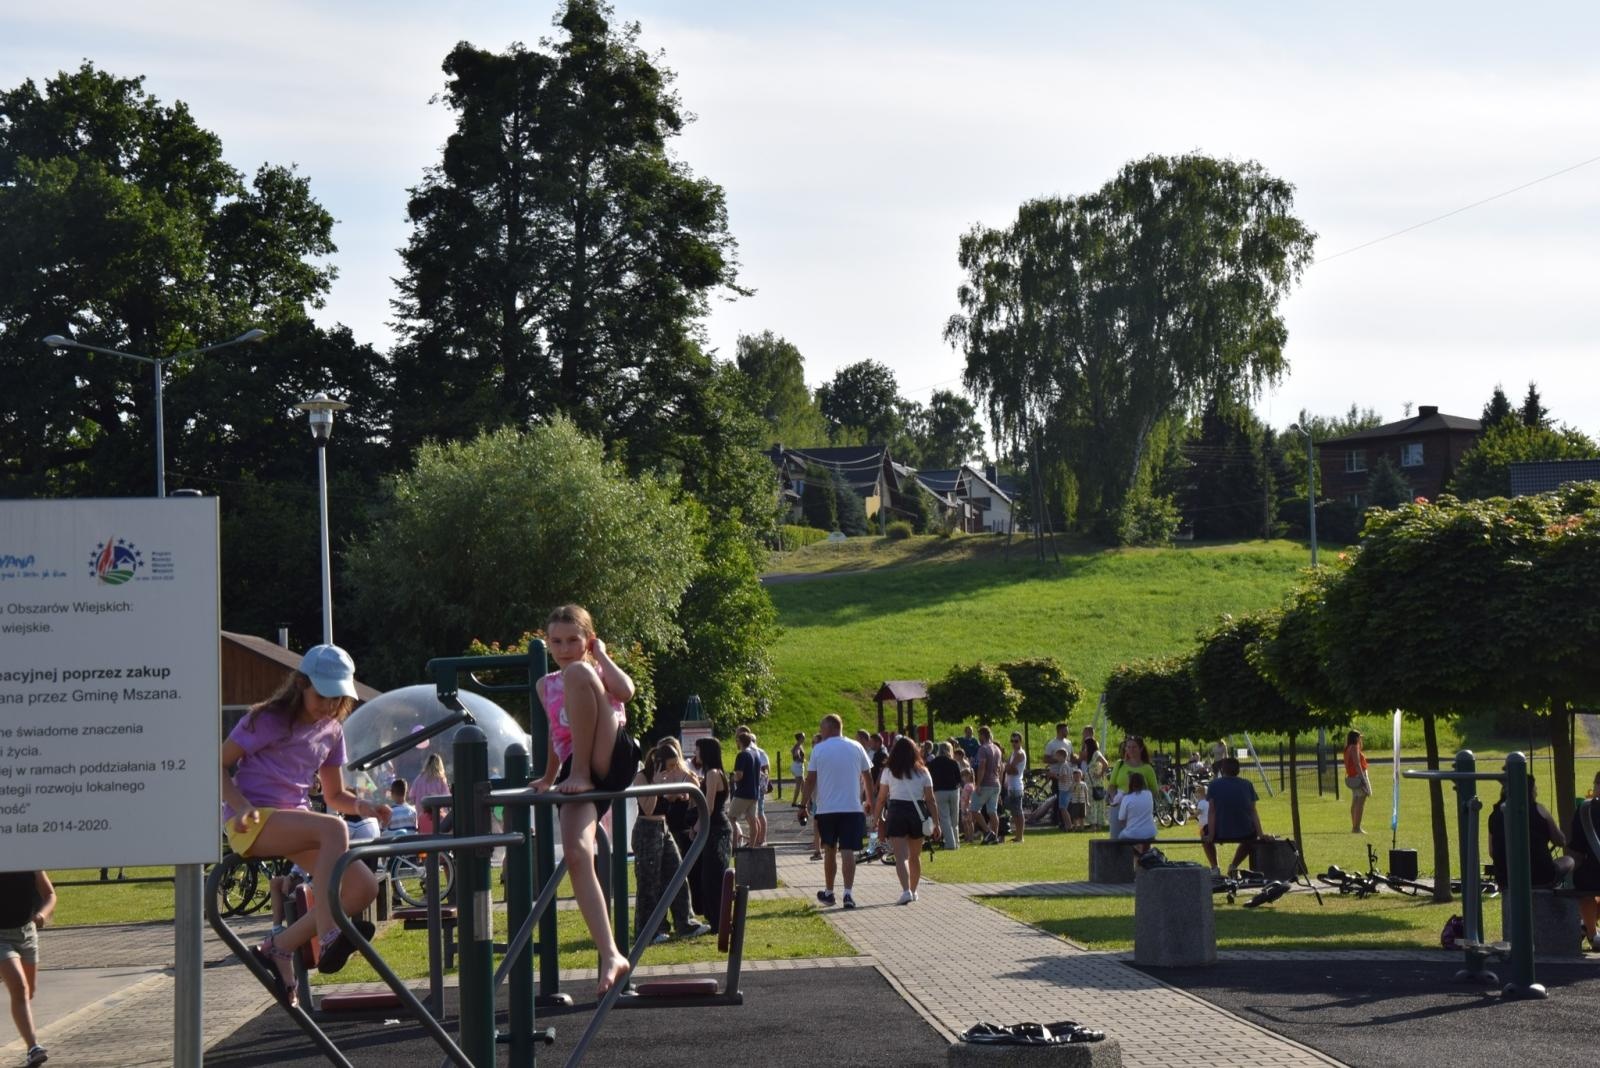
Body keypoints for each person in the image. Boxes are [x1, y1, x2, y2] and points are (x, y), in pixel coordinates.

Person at [222, 644, 387, 1007]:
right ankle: (329, 934)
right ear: (301, 684)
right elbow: (215, 764)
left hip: (295, 821)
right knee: (334, 830)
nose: (329, 705)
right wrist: (241, 806)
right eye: (322, 695)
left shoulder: (331, 730)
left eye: (337, 697)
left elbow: (334, 795)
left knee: (363, 887)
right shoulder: (266, 719)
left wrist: (365, 806)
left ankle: (278, 947)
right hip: (251, 821)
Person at [531, 605, 639, 997]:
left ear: (588, 640)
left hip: (610, 755)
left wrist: (601, 655)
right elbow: (555, 739)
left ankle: (578, 776)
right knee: (576, 853)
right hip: (576, 767)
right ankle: (611, 953)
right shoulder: (545, 685)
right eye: (556, 641)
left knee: (577, 673)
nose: (563, 648)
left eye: (573, 640)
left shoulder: (590, 669)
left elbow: (626, 692)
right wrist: (546, 777)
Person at [632, 745, 709, 944]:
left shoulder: (672, 774)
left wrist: (684, 773)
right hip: (646, 831)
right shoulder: (642, 777)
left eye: (677, 764)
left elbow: (695, 789)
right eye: (671, 765)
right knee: (649, 883)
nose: (674, 769)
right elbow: (648, 809)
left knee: (678, 874)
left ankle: (685, 922)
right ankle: (649, 930)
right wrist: (657, 785)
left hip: (663, 829)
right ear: (658, 764)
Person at [805, 714, 874, 908]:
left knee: (829, 850)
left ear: (830, 728)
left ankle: (829, 891)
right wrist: (869, 800)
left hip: (827, 809)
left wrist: (803, 805)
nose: (820, 731)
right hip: (852, 808)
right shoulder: (856, 747)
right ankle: (848, 893)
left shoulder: (819, 749)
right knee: (848, 851)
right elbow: (868, 777)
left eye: (822, 728)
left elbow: (810, 779)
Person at [874, 736, 942, 904]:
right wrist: (936, 823)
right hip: (917, 813)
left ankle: (905, 891)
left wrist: (876, 818)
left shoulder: (889, 771)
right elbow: (930, 799)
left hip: (896, 811)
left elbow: (882, 798)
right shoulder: (923, 771)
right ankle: (914, 890)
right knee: (915, 856)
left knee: (901, 856)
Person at [1, 869, 55, 1067]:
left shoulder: (28, 859)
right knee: (19, 987)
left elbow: (50, 894)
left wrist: (42, 915)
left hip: (27, 933)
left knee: (28, 992)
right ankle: (33, 1048)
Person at [1488, 777, 1574, 891]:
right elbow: (1560, 841)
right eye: (1535, 790)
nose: (1536, 793)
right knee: (1569, 860)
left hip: (1505, 879)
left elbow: (1492, 852)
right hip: (1540, 877)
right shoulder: (1539, 809)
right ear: (1530, 792)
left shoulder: (1494, 815)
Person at [690, 737, 734, 933]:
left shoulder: (712, 774)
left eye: (698, 750)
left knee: (712, 878)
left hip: (715, 829)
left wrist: (696, 827)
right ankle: (717, 920)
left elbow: (708, 806)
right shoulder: (716, 772)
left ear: (706, 752)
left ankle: (718, 922)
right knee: (711, 876)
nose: (695, 754)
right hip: (718, 827)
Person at [1201, 757, 1264, 878]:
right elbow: (1253, 811)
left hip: (1221, 831)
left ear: (1222, 770)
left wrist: (1211, 835)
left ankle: (1215, 867)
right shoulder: (1247, 784)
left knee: (1204, 835)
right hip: (1245, 831)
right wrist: (1261, 835)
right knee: (1251, 838)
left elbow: (1212, 811)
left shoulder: (1214, 785)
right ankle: (1234, 866)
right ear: (1238, 770)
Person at [1565, 769, 1600, 951]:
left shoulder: (1585, 809)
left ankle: (1591, 932)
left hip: (1591, 871)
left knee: (1585, 887)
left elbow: (1576, 847)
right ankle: (1589, 928)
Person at [1105, 737, 1152, 840]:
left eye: (1134, 747)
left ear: (1140, 749)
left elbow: (1153, 790)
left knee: (1137, 839)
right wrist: (1115, 799)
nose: (1131, 750)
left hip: (1138, 808)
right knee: (1116, 839)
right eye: (1128, 747)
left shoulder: (1147, 768)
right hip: (1119, 804)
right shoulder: (1120, 764)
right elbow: (1111, 785)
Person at [928, 741, 963, 850]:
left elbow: (929, 779)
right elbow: (959, 779)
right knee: (954, 819)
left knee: (944, 818)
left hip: (940, 792)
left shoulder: (933, 763)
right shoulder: (953, 762)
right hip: (953, 791)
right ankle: (956, 842)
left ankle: (950, 844)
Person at [729, 731, 761, 848]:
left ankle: (733, 846)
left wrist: (734, 778)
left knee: (731, 818)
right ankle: (752, 846)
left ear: (739, 741)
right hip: (754, 793)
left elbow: (739, 775)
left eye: (737, 741)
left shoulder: (742, 755)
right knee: (752, 821)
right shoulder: (756, 755)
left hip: (742, 793)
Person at [972, 726, 1003, 845]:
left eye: (979, 735)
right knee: (992, 811)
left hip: (986, 783)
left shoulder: (983, 749)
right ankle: (994, 837)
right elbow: (1000, 768)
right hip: (996, 784)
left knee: (974, 809)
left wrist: (978, 784)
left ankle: (988, 832)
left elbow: (982, 767)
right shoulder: (997, 749)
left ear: (983, 735)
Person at [1117, 773, 1157, 855]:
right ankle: (1144, 856)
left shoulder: (1127, 798)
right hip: (1150, 832)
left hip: (1133, 833)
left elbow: (1121, 820)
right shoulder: (1149, 794)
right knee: (1144, 839)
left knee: (1122, 836)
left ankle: (1136, 856)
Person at [411, 753, 450, 835]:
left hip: (422, 816)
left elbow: (412, 796)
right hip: (438, 818)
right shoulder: (441, 779)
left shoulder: (418, 778)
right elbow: (447, 798)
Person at [1344, 730, 1371, 834]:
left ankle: (1355, 826)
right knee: (1360, 801)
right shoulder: (1354, 747)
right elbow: (1357, 764)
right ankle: (1356, 827)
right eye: (1359, 737)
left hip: (1352, 776)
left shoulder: (1348, 748)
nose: (1360, 739)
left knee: (1355, 801)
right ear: (1356, 738)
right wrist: (1363, 779)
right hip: (1358, 776)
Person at [1004, 732, 1028, 843]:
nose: (1014, 743)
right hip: (1011, 785)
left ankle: (1020, 836)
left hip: (1017, 786)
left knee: (1018, 812)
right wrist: (1008, 767)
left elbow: (1010, 768)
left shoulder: (1020, 753)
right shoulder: (1013, 753)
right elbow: (1007, 767)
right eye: (1012, 741)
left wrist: (1008, 767)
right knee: (1014, 812)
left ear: (1020, 742)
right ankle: (1017, 835)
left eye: (1016, 741)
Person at [789, 732, 807, 807]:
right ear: (799, 738)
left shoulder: (799, 745)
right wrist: (802, 760)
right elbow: (796, 755)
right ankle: (794, 802)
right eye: (803, 737)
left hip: (798, 766)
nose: (804, 738)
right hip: (798, 766)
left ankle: (804, 800)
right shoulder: (798, 746)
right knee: (799, 785)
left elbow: (792, 751)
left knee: (803, 785)